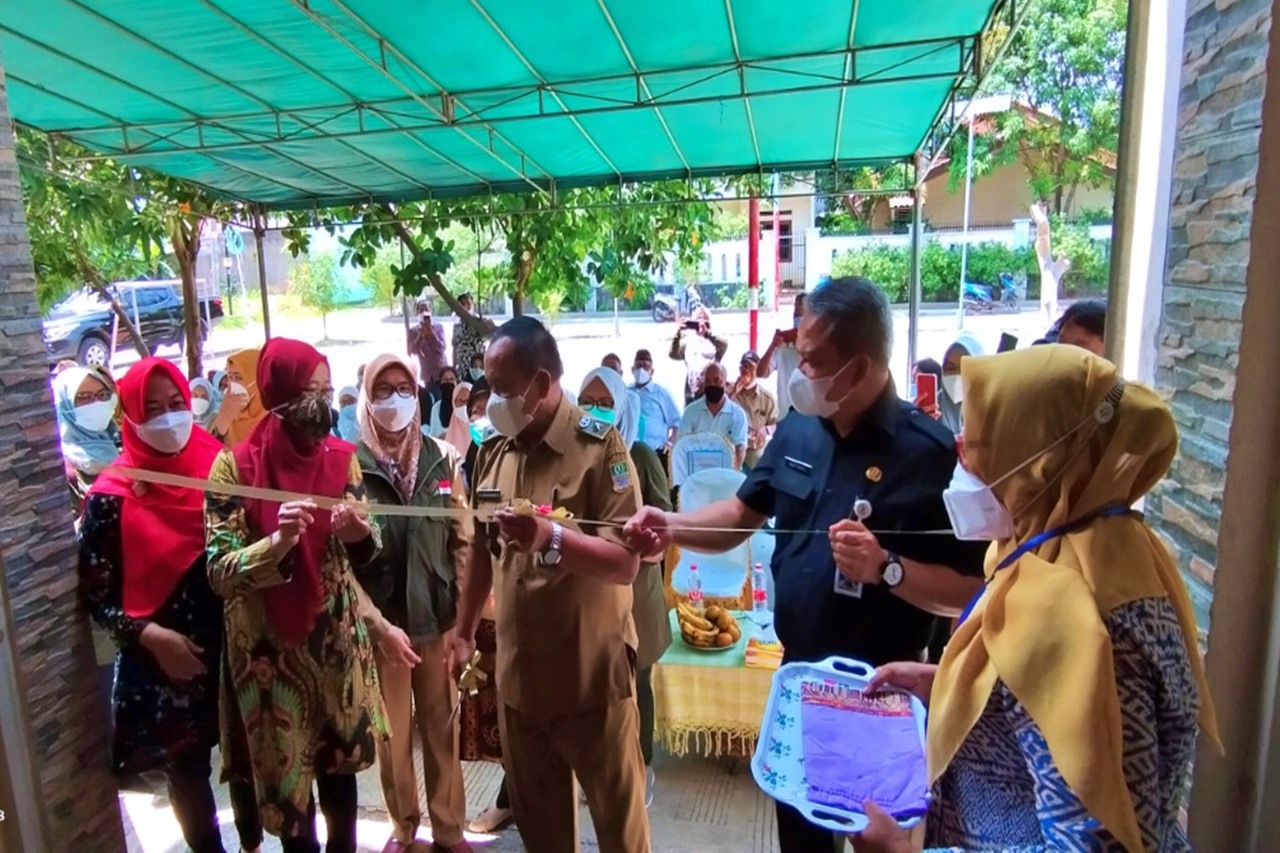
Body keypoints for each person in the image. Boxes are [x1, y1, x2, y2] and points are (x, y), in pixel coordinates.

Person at [624, 277, 987, 853]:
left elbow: (973, 589)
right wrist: (671, 527)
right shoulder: (798, 426)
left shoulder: (929, 453)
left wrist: (887, 567)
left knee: (878, 844)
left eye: (812, 359)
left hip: (881, 695)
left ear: (859, 367)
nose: (797, 368)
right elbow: (743, 512)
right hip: (800, 682)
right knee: (802, 844)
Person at [853, 345, 1219, 853]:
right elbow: (1044, 710)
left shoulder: (1070, 613)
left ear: (1042, 460)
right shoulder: (1107, 548)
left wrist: (902, 852)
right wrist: (957, 687)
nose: (960, 450)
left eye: (981, 440)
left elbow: (1090, 845)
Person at [205, 337, 418, 853]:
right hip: (269, 666)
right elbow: (218, 570)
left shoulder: (341, 462)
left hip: (335, 656)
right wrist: (275, 544)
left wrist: (356, 533)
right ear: (278, 395)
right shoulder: (233, 469)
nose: (322, 404)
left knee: (340, 783)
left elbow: (369, 550)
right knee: (291, 807)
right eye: (309, 391)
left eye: (327, 390)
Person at [447, 317, 649, 853]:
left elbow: (625, 562)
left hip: (591, 680)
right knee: (544, 834)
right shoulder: (493, 451)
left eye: (504, 389)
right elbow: (483, 555)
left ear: (541, 383)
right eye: (488, 386)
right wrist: (464, 632)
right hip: (521, 684)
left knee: (620, 832)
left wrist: (551, 537)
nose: (493, 400)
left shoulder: (600, 449)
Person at [79, 357, 262, 853]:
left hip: (235, 642)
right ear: (130, 418)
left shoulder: (219, 468)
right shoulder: (110, 496)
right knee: (187, 769)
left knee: (246, 755)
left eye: (177, 404)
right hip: (163, 661)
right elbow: (98, 595)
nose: (167, 417)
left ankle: (252, 842)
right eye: (152, 408)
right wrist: (153, 639)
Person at [353, 354, 472, 853]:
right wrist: (374, 622)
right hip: (384, 627)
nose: (396, 399)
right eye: (383, 390)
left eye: (405, 388)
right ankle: (404, 829)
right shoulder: (351, 466)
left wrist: (464, 620)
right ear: (366, 398)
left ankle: (449, 831)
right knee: (392, 737)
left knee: (443, 728)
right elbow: (341, 559)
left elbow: (462, 538)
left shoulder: (442, 459)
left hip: (437, 618)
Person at [579, 366, 673, 810]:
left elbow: (667, 522)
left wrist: (640, 549)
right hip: (593, 592)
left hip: (637, 592)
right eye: (586, 401)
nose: (593, 411)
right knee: (602, 685)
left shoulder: (639, 452)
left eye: (603, 403)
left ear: (619, 405)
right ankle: (608, 770)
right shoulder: (577, 454)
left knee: (638, 681)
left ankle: (643, 766)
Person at [53, 366, 122, 511]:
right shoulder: (62, 469)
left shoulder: (121, 447)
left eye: (102, 394)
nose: (97, 403)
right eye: (85, 397)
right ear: (64, 404)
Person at [677, 362, 749, 470]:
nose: (712, 385)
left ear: (726, 383)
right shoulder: (691, 411)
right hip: (696, 473)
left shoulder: (738, 415)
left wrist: (733, 475)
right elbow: (682, 445)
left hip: (726, 474)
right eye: (708, 381)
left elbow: (740, 449)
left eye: (717, 381)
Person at [630, 348, 681, 470]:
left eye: (646, 367)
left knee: (656, 488)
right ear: (632, 370)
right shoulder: (627, 393)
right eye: (638, 365)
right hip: (631, 451)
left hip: (655, 452)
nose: (641, 370)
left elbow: (677, 422)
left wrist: (670, 443)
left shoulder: (661, 394)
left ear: (652, 371)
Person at [757, 291, 806, 416]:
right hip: (785, 416)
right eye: (796, 315)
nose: (797, 320)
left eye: (801, 316)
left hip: (810, 417)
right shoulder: (782, 345)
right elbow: (760, 373)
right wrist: (772, 346)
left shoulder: (818, 347)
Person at [669, 305, 728, 404]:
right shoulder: (689, 343)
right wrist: (678, 333)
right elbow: (673, 354)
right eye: (697, 320)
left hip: (710, 392)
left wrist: (707, 334)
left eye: (705, 320)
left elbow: (724, 345)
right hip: (691, 393)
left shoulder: (714, 342)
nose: (701, 323)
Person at [730, 350, 778, 470]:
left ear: (757, 370)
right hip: (732, 451)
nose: (745, 370)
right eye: (742, 366)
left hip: (754, 453)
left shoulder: (767, 398)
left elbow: (776, 424)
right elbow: (719, 412)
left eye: (749, 367)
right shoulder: (729, 392)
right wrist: (733, 393)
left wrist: (765, 430)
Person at [939, 335, 984, 435]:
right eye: (950, 368)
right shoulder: (931, 409)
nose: (957, 375)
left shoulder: (988, 410)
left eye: (965, 367)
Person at [222, 348, 266, 447]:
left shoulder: (271, 421)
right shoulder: (230, 418)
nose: (232, 384)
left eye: (238, 378)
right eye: (230, 377)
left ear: (256, 378)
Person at [409, 298, 448, 391]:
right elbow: (412, 351)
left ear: (430, 310)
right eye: (421, 310)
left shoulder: (438, 327)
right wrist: (420, 336)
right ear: (417, 312)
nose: (424, 312)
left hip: (441, 369)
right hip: (426, 372)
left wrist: (433, 335)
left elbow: (442, 348)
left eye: (426, 309)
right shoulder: (413, 331)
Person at [451, 292, 494, 373]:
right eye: (462, 304)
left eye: (468, 303)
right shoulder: (457, 326)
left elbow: (490, 339)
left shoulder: (480, 322)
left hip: (478, 366)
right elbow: (454, 347)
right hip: (463, 366)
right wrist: (454, 366)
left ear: (473, 304)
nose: (466, 306)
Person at [425, 367, 461, 439]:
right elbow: (433, 435)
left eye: (451, 379)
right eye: (445, 379)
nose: (448, 382)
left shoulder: (461, 406)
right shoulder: (436, 408)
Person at [441, 382, 474, 454]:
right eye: (460, 401)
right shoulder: (446, 438)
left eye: (468, 401)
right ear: (454, 403)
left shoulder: (482, 433)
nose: (464, 406)